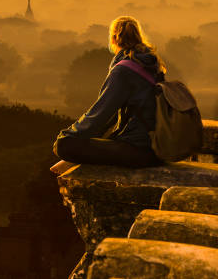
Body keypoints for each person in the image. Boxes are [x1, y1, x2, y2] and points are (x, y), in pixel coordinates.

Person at [51, 16, 165, 175]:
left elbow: (100, 114)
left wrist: (68, 135)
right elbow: (111, 118)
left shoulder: (123, 70)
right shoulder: (151, 65)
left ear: (114, 39)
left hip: (139, 151)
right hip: (157, 148)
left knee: (64, 145)